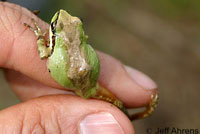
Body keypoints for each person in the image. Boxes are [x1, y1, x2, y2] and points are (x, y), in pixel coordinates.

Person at [0, 2, 157, 134]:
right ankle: (138, 114)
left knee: (115, 109)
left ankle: (139, 114)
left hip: (81, 79)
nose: (63, 13)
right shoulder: (76, 40)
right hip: (88, 79)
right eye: (56, 25)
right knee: (116, 108)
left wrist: (39, 36)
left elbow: (43, 54)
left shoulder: (52, 47)